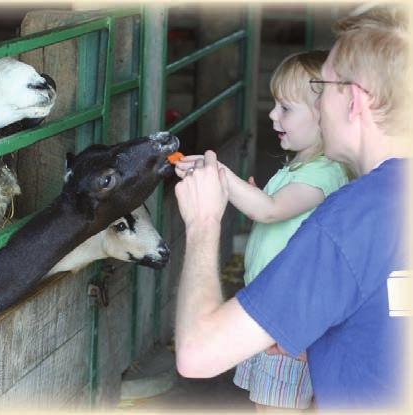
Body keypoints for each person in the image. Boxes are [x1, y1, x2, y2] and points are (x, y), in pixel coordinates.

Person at [173, 5, 409, 410]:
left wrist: (204, 222)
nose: (317, 106)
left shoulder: (347, 221)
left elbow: (197, 354)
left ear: (353, 100)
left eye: (324, 87)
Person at [176, 49, 348, 411]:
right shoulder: (299, 170)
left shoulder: (324, 173)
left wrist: (222, 178)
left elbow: (270, 212)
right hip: (274, 310)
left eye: (285, 108)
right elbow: (273, 214)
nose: (272, 115)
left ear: (323, 116)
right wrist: (243, 190)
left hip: (287, 318)